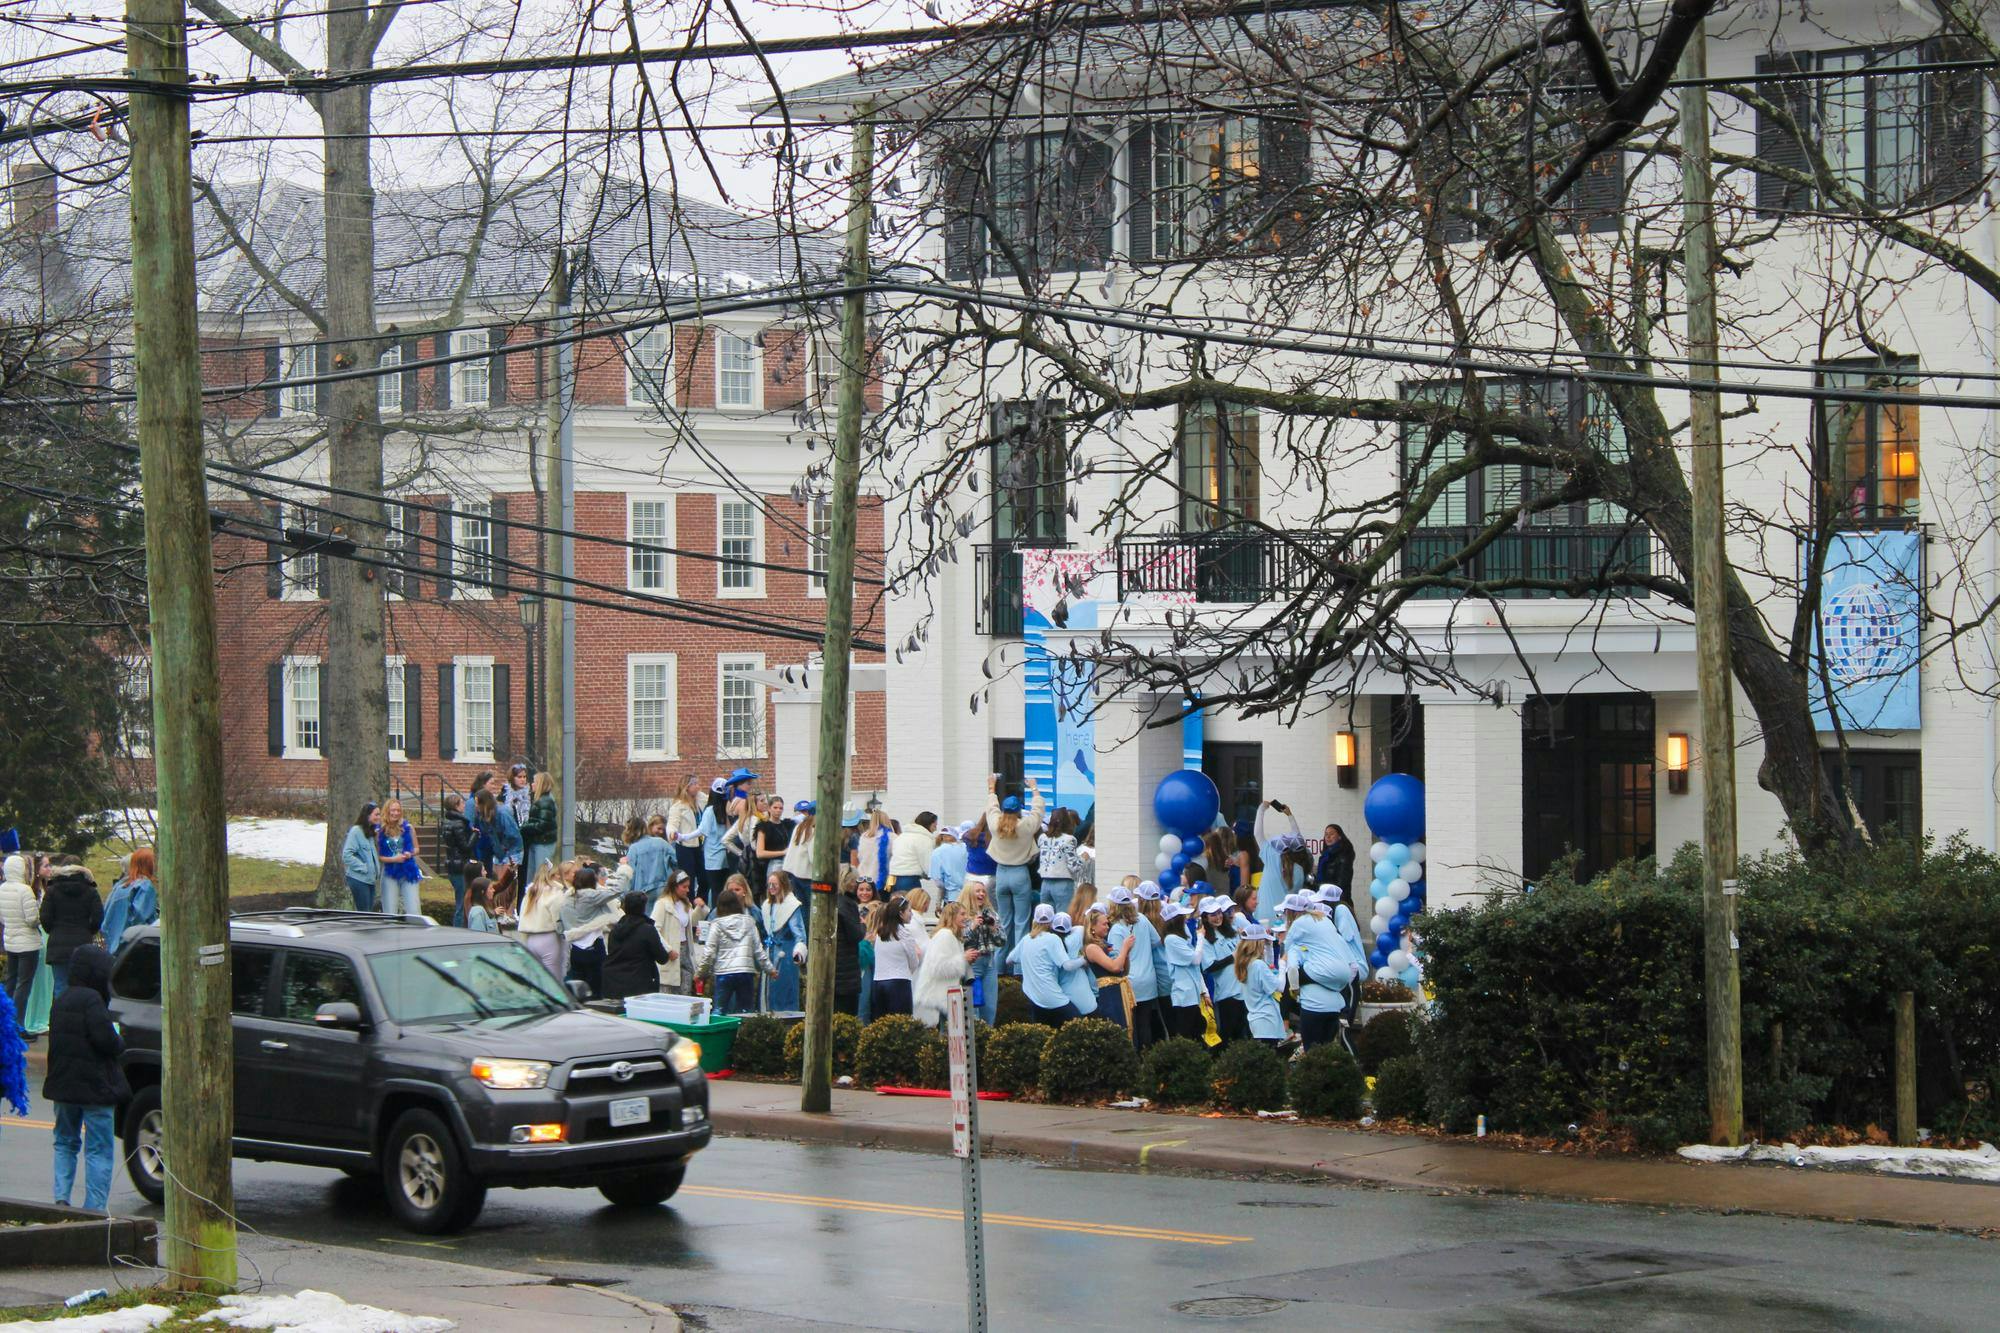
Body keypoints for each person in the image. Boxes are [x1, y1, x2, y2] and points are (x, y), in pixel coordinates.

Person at [44, 942, 126, 1213]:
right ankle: (94, 1208)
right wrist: (119, 1039)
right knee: (98, 1149)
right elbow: (106, 1042)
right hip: (96, 1088)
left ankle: (61, 1200)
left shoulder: (62, 1000)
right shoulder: (93, 1000)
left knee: (65, 1142)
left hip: (64, 1087)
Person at [983, 773, 1045, 970]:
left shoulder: (995, 826)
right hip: (1020, 874)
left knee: (1004, 922)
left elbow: (991, 808)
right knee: (1022, 922)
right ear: (1019, 810)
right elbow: (1038, 812)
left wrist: (992, 788)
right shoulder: (1025, 826)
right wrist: (1034, 788)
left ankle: (999, 968)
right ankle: (1018, 969)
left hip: (1001, 874)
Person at [1285, 894, 1361, 1051]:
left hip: (1313, 1006)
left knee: (1312, 1052)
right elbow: (1351, 962)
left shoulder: (1298, 932)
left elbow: (1291, 965)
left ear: (1292, 913)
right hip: (1338, 996)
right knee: (1328, 1051)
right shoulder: (1325, 922)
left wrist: (1294, 989)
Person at [1009, 904, 1086, 1026]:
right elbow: (1068, 966)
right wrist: (1084, 959)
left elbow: (1009, 959)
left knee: (1044, 1036)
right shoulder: (1053, 938)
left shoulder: (1026, 939)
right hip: (1052, 997)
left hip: (1033, 998)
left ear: (1035, 919)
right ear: (1051, 922)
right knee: (1079, 1027)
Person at [703, 888, 774, 1016]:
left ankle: (720, 1034)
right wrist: (770, 969)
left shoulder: (716, 924)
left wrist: (700, 972)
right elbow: (758, 950)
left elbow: (709, 952)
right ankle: (744, 1035)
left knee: (719, 1010)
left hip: (724, 973)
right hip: (746, 971)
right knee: (746, 1012)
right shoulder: (749, 922)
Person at [40, 862, 102, 1000]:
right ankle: (80, 1019)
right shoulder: (91, 891)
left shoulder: (51, 891)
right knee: (82, 985)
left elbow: (45, 917)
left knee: (60, 985)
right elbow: (98, 918)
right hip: (83, 942)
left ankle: (59, 1019)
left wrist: (53, 931)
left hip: (58, 942)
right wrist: (89, 931)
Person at [561, 864, 622, 997]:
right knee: (596, 987)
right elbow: (617, 890)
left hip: (576, 948)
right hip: (594, 946)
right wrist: (623, 871)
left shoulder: (567, 898)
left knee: (577, 985)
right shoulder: (591, 895)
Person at [912, 900, 976, 1028]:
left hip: (946, 995)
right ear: (952, 916)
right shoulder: (945, 936)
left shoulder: (953, 936)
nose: (966, 918)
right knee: (944, 1035)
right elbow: (937, 967)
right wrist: (963, 959)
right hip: (937, 996)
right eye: (962, 914)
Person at [1, 853, 43, 1038]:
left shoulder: (2, 889)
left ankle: (6, 1020)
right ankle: (18, 1024)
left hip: (10, 940)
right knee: (24, 984)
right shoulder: (25, 891)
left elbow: (2, 918)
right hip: (27, 943)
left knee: (11, 981)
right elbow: (32, 919)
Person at [602, 892, 671, 1002]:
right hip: (640, 986)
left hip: (613, 983)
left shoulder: (615, 931)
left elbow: (611, 952)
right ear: (644, 907)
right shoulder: (648, 930)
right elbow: (662, 958)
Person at [867, 895, 925, 1019]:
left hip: (879, 981)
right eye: (909, 911)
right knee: (901, 1022)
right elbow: (914, 961)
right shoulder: (904, 934)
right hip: (899, 982)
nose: (911, 914)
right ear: (900, 913)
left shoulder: (880, 933)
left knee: (881, 1022)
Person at [958, 881, 1005, 1025]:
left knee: (990, 1006)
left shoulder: (991, 913)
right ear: (969, 893)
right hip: (973, 962)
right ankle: (976, 1038)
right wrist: (972, 926)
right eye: (978, 891)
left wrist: (993, 928)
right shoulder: (962, 914)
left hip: (990, 961)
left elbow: (1002, 941)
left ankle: (988, 1036)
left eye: (983, 891)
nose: (982, 894)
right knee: (974, 1005)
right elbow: (958, 939)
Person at [1158, 900, 1206, 1040]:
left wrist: (1204, 992)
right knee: (1186, 1036)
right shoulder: (1171, 939)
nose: (1185, 921)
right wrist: (1201, 936)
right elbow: (1196, 959)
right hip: (1184, 997)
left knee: (1196, 1034)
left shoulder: (1180, 939)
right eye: (1182, 918)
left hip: (1192, 995)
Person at [1080, 906, 1135, 1027]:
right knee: (1118, 1025)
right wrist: (1124, 948)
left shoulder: (1105, 944)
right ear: (1093, 927)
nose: (1107, 927)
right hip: (1109, 994)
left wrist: (1126, 954)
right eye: (1104, 924)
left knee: (1128, 1025)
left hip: (1120, 990)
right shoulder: (1091, 948)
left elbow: (1124, 970)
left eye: (1108, 924)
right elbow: (1114, 967)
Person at [650, 871, 702, 993]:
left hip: (685, 951)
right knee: (668, 990)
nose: (687, 890)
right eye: (684, 887)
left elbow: (691, 922)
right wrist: (667, 949)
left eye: (688, 887)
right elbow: (654, 929)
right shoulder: (662, 904)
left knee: (686, 990)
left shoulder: (686, 903)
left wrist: (701, 908)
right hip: (671, 953)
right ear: (674, 886)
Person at [516, 861, 568, 978]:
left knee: (536, 980)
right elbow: (559, 918)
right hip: (549, 939)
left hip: (530, 939)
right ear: (553, 876)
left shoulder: (530, 893)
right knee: (554, 980)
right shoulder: (556, 893)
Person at [761, 871, 805, 1011]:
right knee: (767, 991)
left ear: (783, 885)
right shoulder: (767, 905)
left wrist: (798, 951)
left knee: (784, 989)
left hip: (784, 955)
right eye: (770, 885)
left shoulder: (791, 906)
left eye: (775, 884)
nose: (772, 887)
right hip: (769, 952)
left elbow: (799, 934)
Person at [1238, 924, 1286, 1046]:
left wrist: (1269, 948)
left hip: (1256, 1021)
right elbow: (1280, 987)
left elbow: (1269, 968)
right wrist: (1283, 964)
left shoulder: (1246, 964)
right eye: (1264, 942)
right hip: (1267, 1020)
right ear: (1258, 943)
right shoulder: (1258, 965)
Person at [377, 798, 423, 917]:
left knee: (414, 910)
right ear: (387, 811)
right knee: (390, 912)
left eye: (398, 810)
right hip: (389, 873)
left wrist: (410, 853)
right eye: (393, 810)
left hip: (408, 872)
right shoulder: (379, 831)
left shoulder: (408, 827)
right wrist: (394, 859)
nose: (396, 813)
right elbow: (378, 856)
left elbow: (417, 848)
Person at [1035, 807, 1087, 912]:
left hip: (1045, 883)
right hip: (1063, 884)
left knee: (1046, 918)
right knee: (1062, 920)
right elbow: (1074, 866)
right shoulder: (1069, 840)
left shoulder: (1042, 838)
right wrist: (1083, 859)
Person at [439, 794, 478, 926]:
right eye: (461, 803)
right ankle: (459, 930)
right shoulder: (459, 823)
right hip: (461, 865)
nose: (464, 805)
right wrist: (474, 834)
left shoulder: (447, 822)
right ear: (456, 806)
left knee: (461, 900)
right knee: (462, 902)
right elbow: (465, 846)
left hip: (452, 864)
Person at [833, 867, 865, 1016]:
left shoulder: (834, 901)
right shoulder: (847, 904)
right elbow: (855, 935)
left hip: (836, 965)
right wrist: (863, 925)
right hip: (846, 970)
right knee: (847, 1012)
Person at [340, 803, 383, 911]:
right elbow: (347, 855)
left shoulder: (370, 832)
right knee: (364, 913)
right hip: (359, 880)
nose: (379, 817)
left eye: (379, 815)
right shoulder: (356, 831)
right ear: (367, 815)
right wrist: (363, 867)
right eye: (376, 814)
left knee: (368, 912)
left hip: (370, 880)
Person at [626, 814, 671, 911]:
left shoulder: (634, 848)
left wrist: (625, 895)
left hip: (642, 892)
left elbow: (630, 874)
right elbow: (676, 862)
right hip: (663, 888)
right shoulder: (662, 842)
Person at [696, 785, 732, 903]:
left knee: (716, 892)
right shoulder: (728, 808)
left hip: (712, 859)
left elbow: (702, 830)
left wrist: (683, 837)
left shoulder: (710, 810)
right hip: (726, 856)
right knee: (726, 891)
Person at [520, 773, 559, 881]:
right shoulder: (541, 799)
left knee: (540, 875)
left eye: (534, 782)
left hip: (543, 843)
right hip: (537, 841)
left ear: (540, 784)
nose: (532, 784)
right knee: (532, 875)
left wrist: (524, 827)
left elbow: (543, 824)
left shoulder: (545, 801)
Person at [888, 812, 937, 894]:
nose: (935, 829)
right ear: (928, 825)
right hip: (908, 879)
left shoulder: (902, 836)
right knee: (912, 905)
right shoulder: (924, 839)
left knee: (895, 905)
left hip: (891, 878)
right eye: (934, 826)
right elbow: (927, 865)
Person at [477, 788, 524, 871]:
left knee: (507, 881)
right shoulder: (484, 817)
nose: (475, 805)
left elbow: (513, 834)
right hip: (499, 853)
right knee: (500, 882)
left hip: (512, 851)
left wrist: (504, 847)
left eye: (477, 803)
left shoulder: (503, 813)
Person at [780, 801, 817, 904]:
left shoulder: (799, 827)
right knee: (810, 908)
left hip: (795, 874)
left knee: (802, 907)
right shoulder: (813, 831)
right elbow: (813, 857)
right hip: (807, 876)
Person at [755, 796, 795, 890]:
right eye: (775, 808)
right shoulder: (763, 826)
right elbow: (760, 853)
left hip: (788, 864)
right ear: (769, 808)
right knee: (774, 892)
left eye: (780, 808)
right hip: (773, 864)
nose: (778, 810)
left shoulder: (787, 825)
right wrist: (782, 852)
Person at [927, 823, 967, 905]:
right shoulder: (966, 847)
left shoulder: (937, 852)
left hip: (952, 896)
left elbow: (938, 882)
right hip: (969, 894)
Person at [1315, 823, 1356, 896]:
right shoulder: (1324, 856)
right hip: (1323, 896)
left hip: (1337, 899)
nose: (1328, 837)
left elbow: (1342, 883)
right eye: (1326, 834)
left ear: (1340, 836)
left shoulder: (1344, 856)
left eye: (1331, 834)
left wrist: (1320, 887)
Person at [505, 763, 533, 829]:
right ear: (513, 778)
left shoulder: (530, 794)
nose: (522, 780)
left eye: (524, 777)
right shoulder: (505, 794)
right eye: (519, 777)